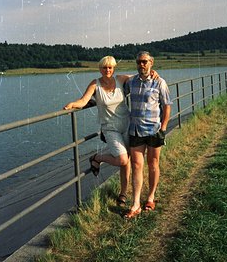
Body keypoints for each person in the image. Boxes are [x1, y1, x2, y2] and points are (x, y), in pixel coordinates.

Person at [64, 56, 158, 207]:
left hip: (127, 124)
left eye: (110, 67)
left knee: (126, 162)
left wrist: (153, 72)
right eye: (104, 68)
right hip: (109, 127)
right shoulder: (95, 84)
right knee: (122, 159)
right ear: (100, 69)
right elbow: (83, 100)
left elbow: (140, 76)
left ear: (114, 68)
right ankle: (97, 158)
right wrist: (72, 104)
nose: (107, 70)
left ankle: (123, 193)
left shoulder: (121, 79)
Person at [124, 51, 172, 218]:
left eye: (144, 62)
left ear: (151, 62)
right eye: (139, 62)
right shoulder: (131, 82)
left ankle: (151, 197)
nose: (141, 65)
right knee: (137, 165)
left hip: (154, 130)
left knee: (153, 164)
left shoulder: (160, 82)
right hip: (135, 129)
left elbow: (167, 105)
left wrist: (163, 127)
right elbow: (118, 79)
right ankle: (136, 203)